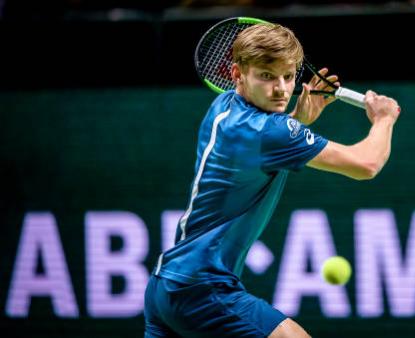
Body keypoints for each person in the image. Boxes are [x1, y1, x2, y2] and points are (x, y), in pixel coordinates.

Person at [144, 22, 400, 338]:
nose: (281, 89)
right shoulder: (272, 132)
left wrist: (297, 120)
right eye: (267, 76)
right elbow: (366, 164)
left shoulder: (223, 106)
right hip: (202, 288)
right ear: (237, 74)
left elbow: (260, 145)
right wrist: (384, 119)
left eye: (289, 76)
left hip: (164, 287)